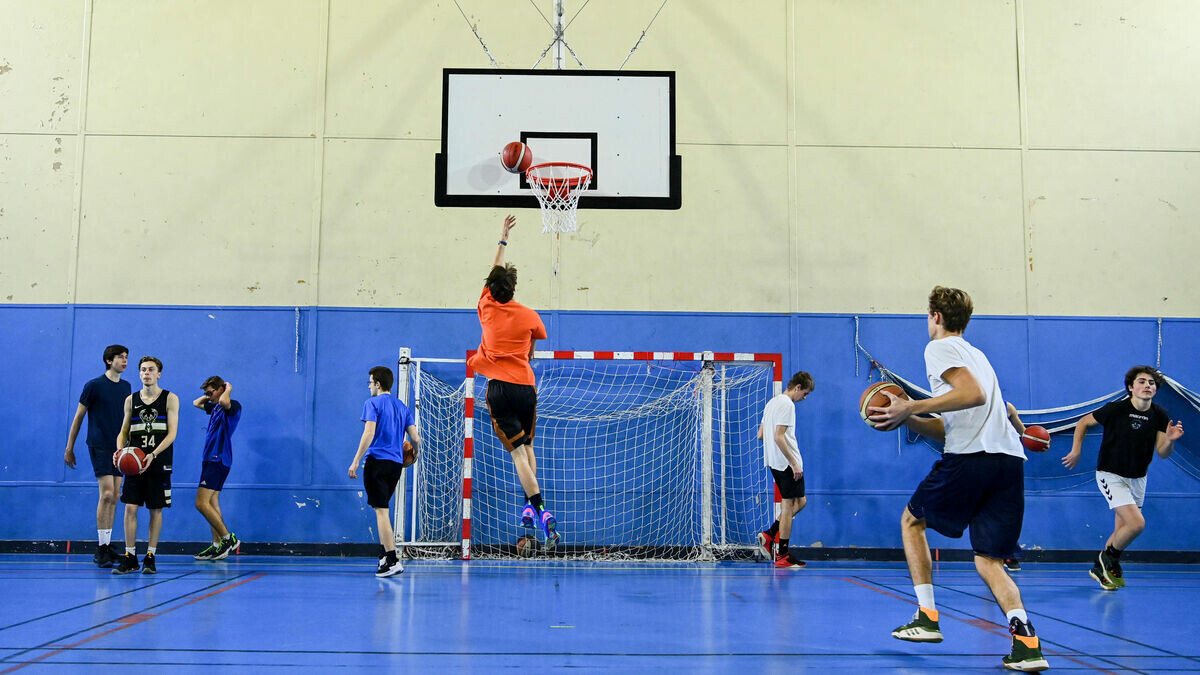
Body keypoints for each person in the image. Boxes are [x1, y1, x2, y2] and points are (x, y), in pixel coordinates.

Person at [868, 286, 1048, 672]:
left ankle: (927, 618)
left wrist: (912, 404)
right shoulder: (978, 356)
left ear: (935, 316)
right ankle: (1027, 643)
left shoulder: (939, 349)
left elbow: (973, 395)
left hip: (973, 459)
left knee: (911, 520)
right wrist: (909, 419)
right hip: (1007, 463)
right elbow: (956, 423)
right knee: (988, 560)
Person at [467, 215, 555, 550]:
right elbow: (535, 344)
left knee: (518, 455)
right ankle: (529, 508)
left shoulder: (486, 307)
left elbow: (494, 273)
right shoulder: (530, 315)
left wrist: (502, 240)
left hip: (499, 389)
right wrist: (526, 350)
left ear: (490, 289)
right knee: (529, 447)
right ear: (514, 290)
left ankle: (541, 509)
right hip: (526, 387)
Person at [1062, 366, 1183, 590]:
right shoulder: (1116, 409)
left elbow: (1163, 453)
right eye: (1142, 382)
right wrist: (1076, 450)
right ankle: (1109, 559)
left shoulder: (1159, 415)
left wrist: (1171, 440)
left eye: (1152, 383)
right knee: (1136, 524)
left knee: (1122, 531)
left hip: (1138, 478)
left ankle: (1101, 569)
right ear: (1131, 387)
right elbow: (1083, 422)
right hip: (1110, 474)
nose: (1148, 385)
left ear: (1156, 390)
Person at [348, 366, 420, 578]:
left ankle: (392, 560)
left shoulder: (372, 403)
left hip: (377, 462)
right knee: (382, 511)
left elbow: (369, 433)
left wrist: (355, 460)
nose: (369, 385)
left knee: (382, 512)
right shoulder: (402, 406)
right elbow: (415, 437)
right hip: (395, 466)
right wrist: (414, 454)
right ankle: (382, 555)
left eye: (370, 382)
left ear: (378, 384)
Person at [64, 345, 132, 568]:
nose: (124, 361)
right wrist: (69, 447)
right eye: (120, 357)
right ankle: (101, 549)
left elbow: (127, 420)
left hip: (119, 449)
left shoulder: (126, 387)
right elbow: (78, 417)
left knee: (116, 495)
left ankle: (109, 546)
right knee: (107, 494)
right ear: (108, 360)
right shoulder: (93, 386)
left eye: (126, 357)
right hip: (99, 445)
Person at [112, 356, 179, 575]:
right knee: (130, 507)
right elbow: (123, 431)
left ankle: (150, 556)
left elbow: (172, 434)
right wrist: (120, 450)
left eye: (151, 370)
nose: (146, 373)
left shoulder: (170, 398)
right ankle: (130, 556)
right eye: (142, 370)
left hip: (158, 462)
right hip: (135, 463)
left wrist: (152, 454)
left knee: (155, 509)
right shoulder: (131, 400)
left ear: (159, 373)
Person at [755, 371, 814, 568]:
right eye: (804, 393)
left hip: (773, 461)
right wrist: (794, 463)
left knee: (801, 501)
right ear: (797, 387)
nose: (804, 398)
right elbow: (779, 436)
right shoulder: (787, 404)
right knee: (788, 506)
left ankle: (770, 535)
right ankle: (782, 555)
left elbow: (761, 435)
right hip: (787, 463)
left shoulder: (771, 403)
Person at [191, 376, 242, 561]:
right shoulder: (216, 407)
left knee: (201, 503)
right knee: (212, 504)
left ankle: (228, 539)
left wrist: (228, 389)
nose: (207, 396)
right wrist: (209, 395)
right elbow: (196, 403)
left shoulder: (232, 406)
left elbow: (224, 401)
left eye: (210, 392)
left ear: (221, 389)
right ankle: (217, 545)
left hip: (217, 459)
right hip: (210, 460)